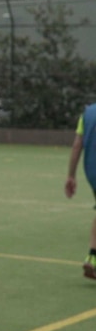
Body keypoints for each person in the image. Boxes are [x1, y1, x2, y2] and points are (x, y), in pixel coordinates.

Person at [64, 103, 96, 279]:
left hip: (92, 172)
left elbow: (77, 145)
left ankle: (92, 257)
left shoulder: (88, 113)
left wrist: (71, 175)